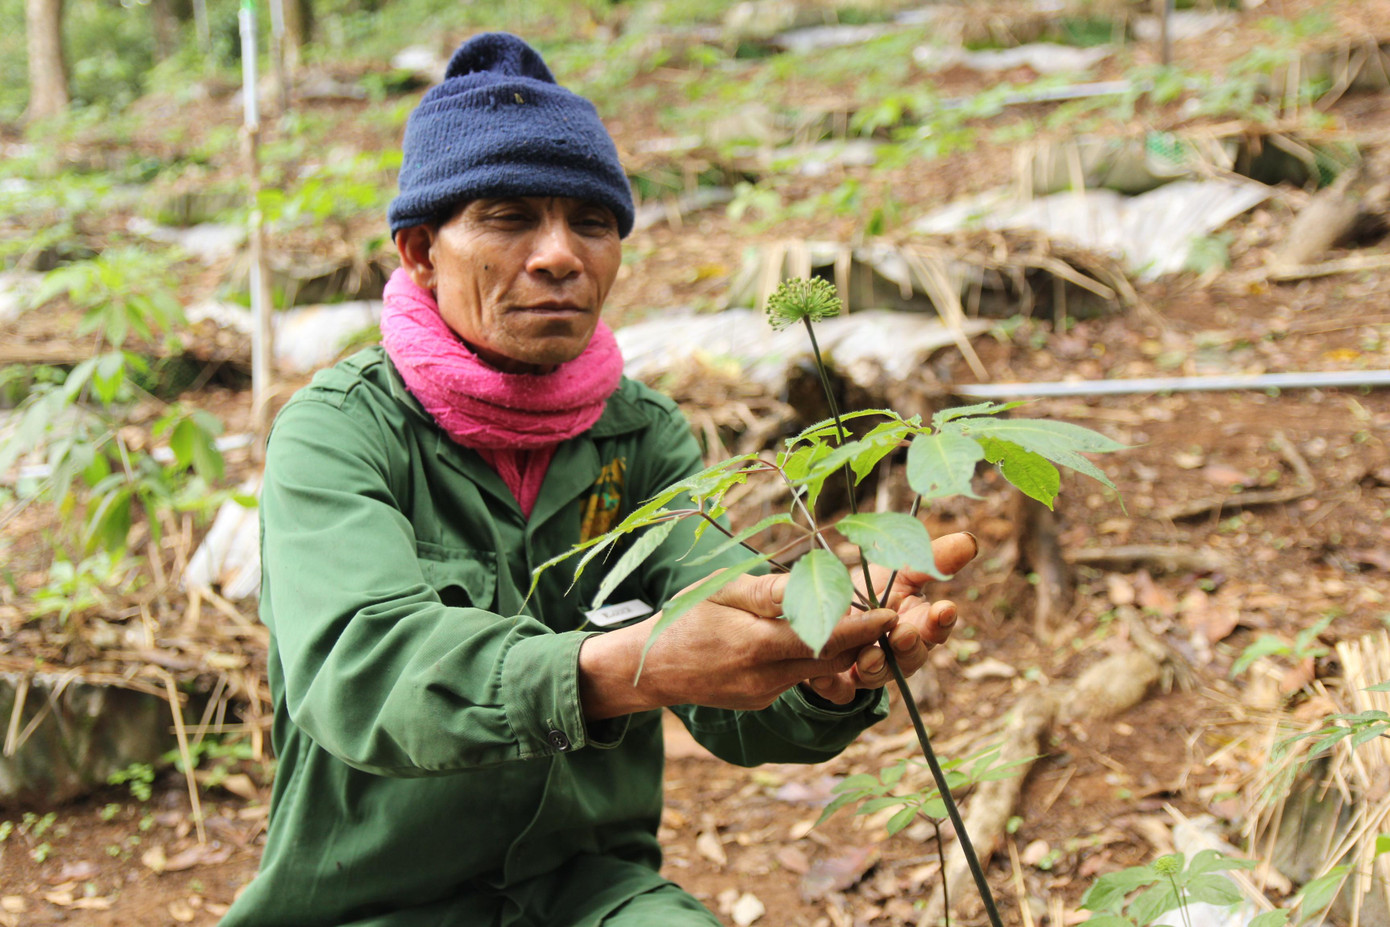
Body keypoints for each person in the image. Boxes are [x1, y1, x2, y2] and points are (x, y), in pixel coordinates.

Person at [220, 31, 978, 927]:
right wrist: (622, 666)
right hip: (366, 901)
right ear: (420, 250)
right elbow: (363, 669)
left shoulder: (641, 435)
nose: (560, 255)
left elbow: (725, 637)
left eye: (591, 221)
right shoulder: (341, 430)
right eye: (509, 217)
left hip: (585, 893)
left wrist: (822, 654)